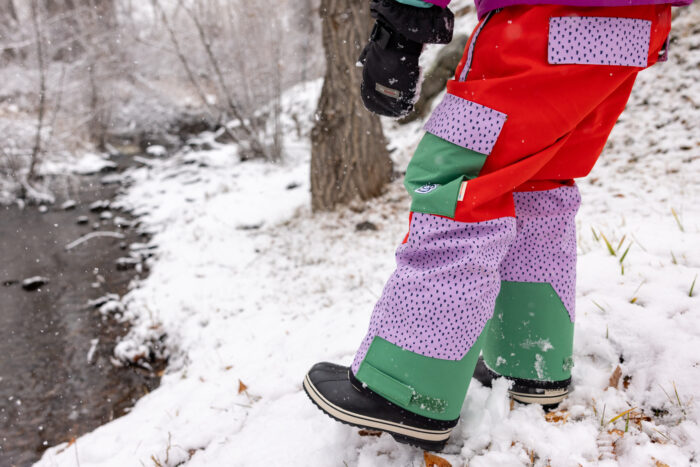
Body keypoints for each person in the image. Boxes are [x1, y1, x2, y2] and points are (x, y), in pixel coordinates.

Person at [303, 0, 691, 452]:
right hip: (636, 26)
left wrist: (401, 24)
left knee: (459, 179)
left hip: (540, 21)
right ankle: (529, 360)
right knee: (536, 177)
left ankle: (408, 384)